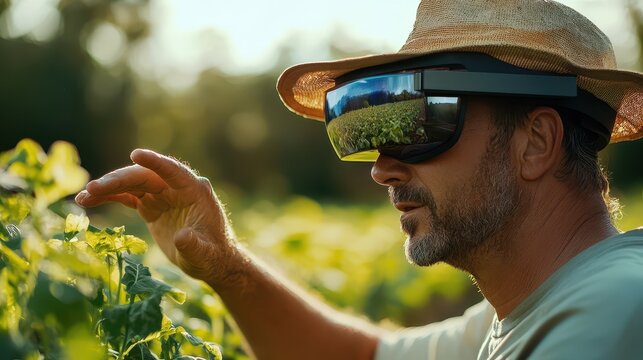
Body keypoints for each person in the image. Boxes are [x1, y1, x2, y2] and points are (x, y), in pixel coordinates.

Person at [76, 0, 643, 359]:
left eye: (422, 125)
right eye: (368, 136)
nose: (382, 168)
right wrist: (226, 265)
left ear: (536, 143)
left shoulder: (614, 310)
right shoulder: (526, 311)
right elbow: (363, 356)